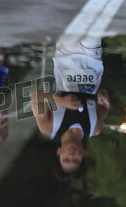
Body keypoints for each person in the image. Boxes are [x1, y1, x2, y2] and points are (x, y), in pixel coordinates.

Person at [30, 38, 110, 175]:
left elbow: (34, 96)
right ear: (83, 154)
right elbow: (104, 102)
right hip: (91, 59)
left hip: (65, 57)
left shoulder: (49, 128)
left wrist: (61, 102)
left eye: (66, 159)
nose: (71, 156)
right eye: (75, 160)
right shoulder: (94, 128)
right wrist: (103, 96)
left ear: (59, 152)